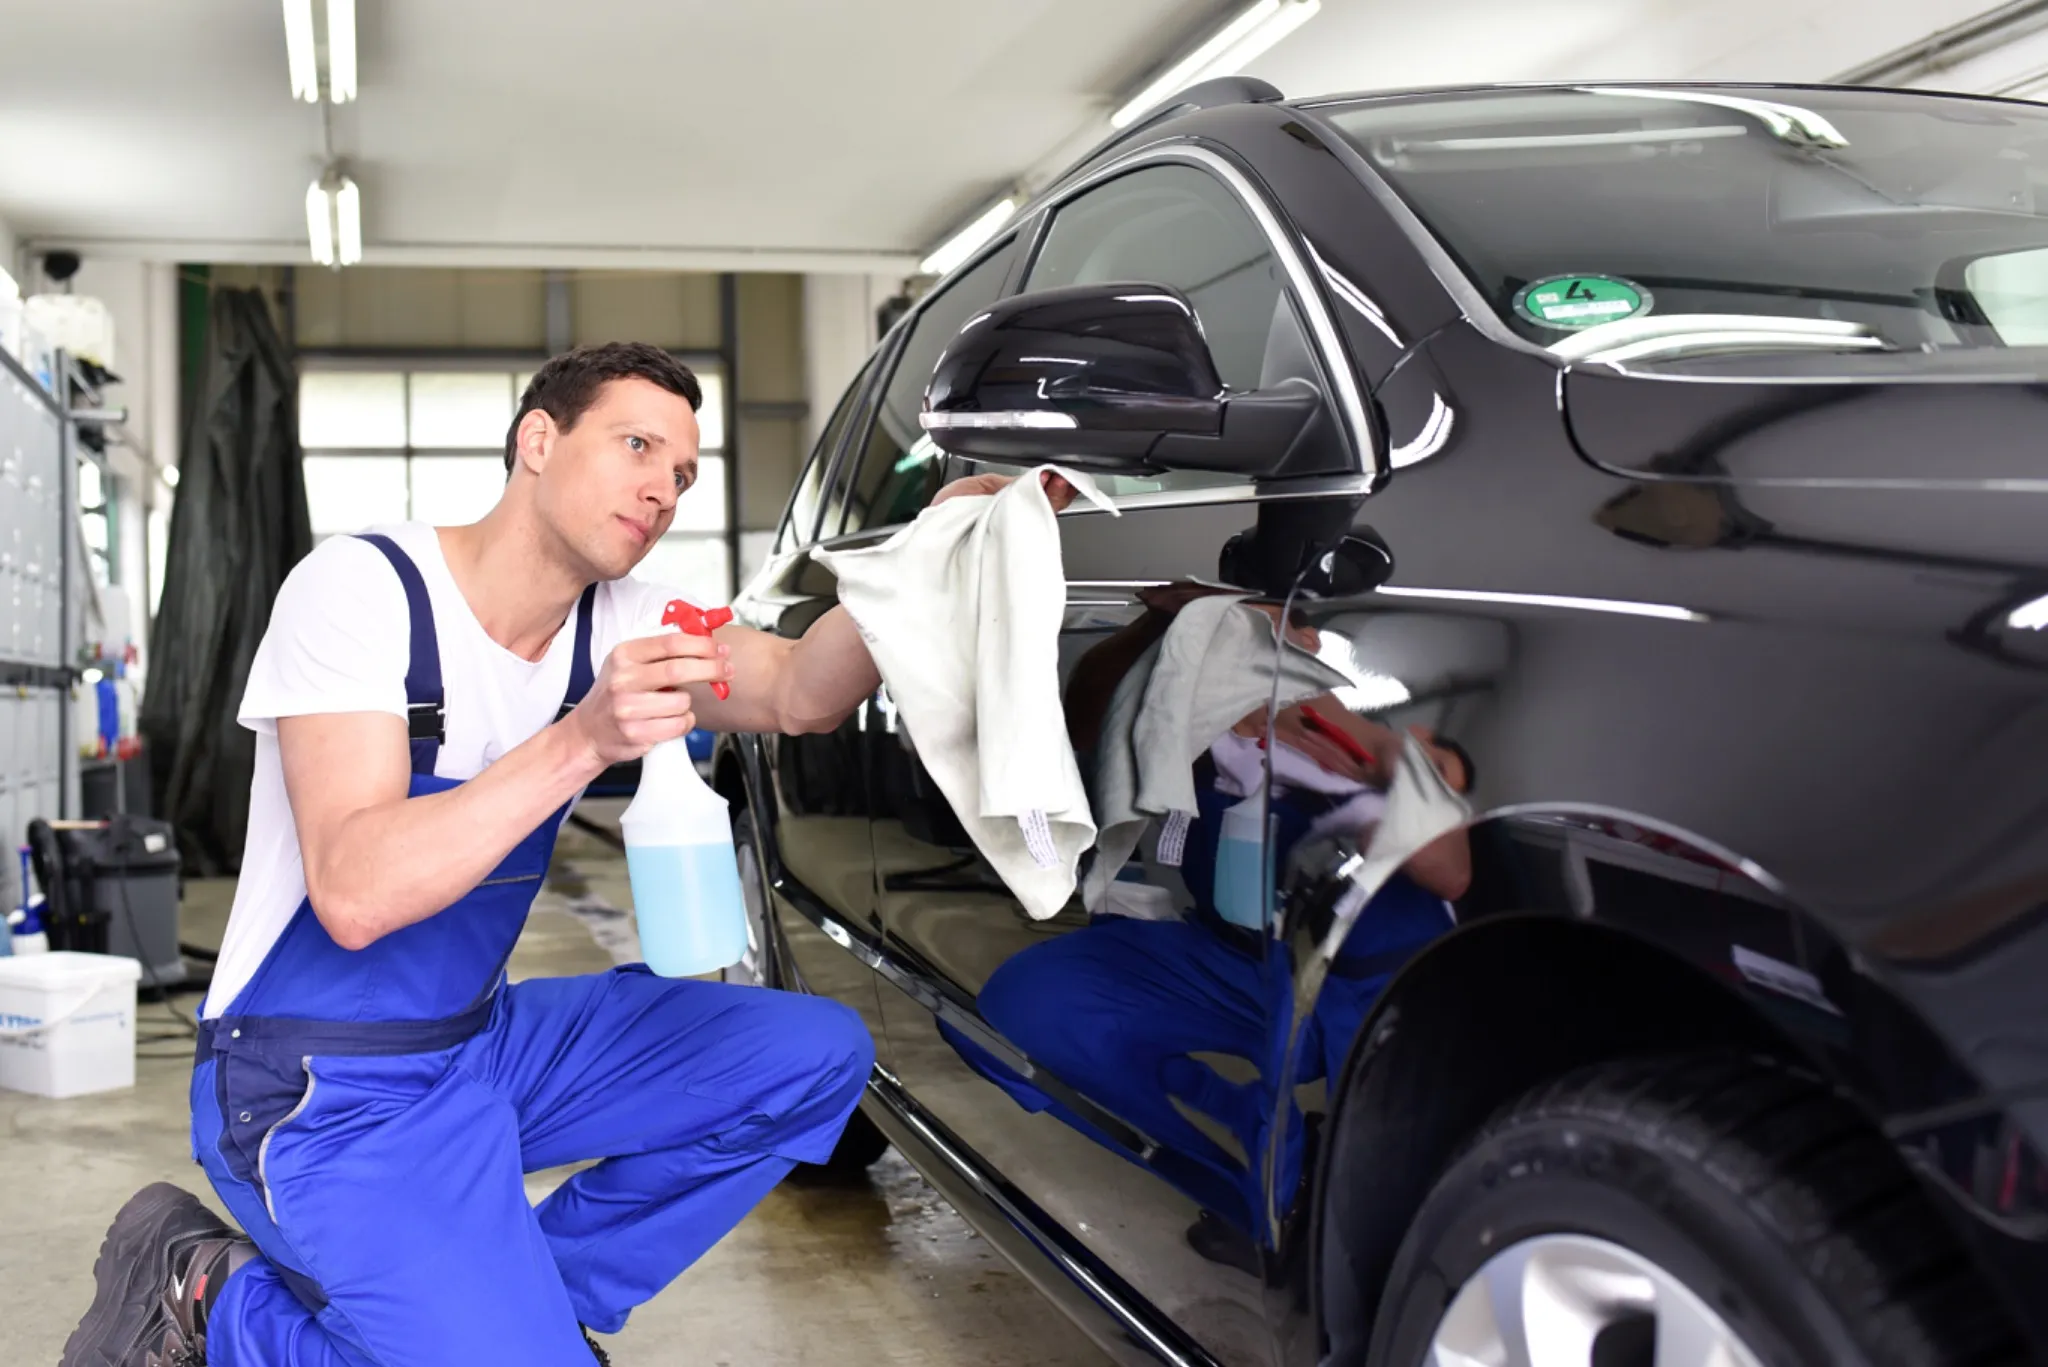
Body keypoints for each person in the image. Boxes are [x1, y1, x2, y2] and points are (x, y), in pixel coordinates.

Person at [61, 342, 1071, 1367]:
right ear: (535, 440)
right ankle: (208, 1292)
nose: (661, 488)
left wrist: (935, 557)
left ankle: (542, 1300)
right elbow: (356, 893)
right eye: (636, 444)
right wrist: (581, 738)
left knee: (814, 1055)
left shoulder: (623, 617)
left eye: (680, 472)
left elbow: (802, 691)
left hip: (479, 1045)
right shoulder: (362, 590)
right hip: (314, 1079)